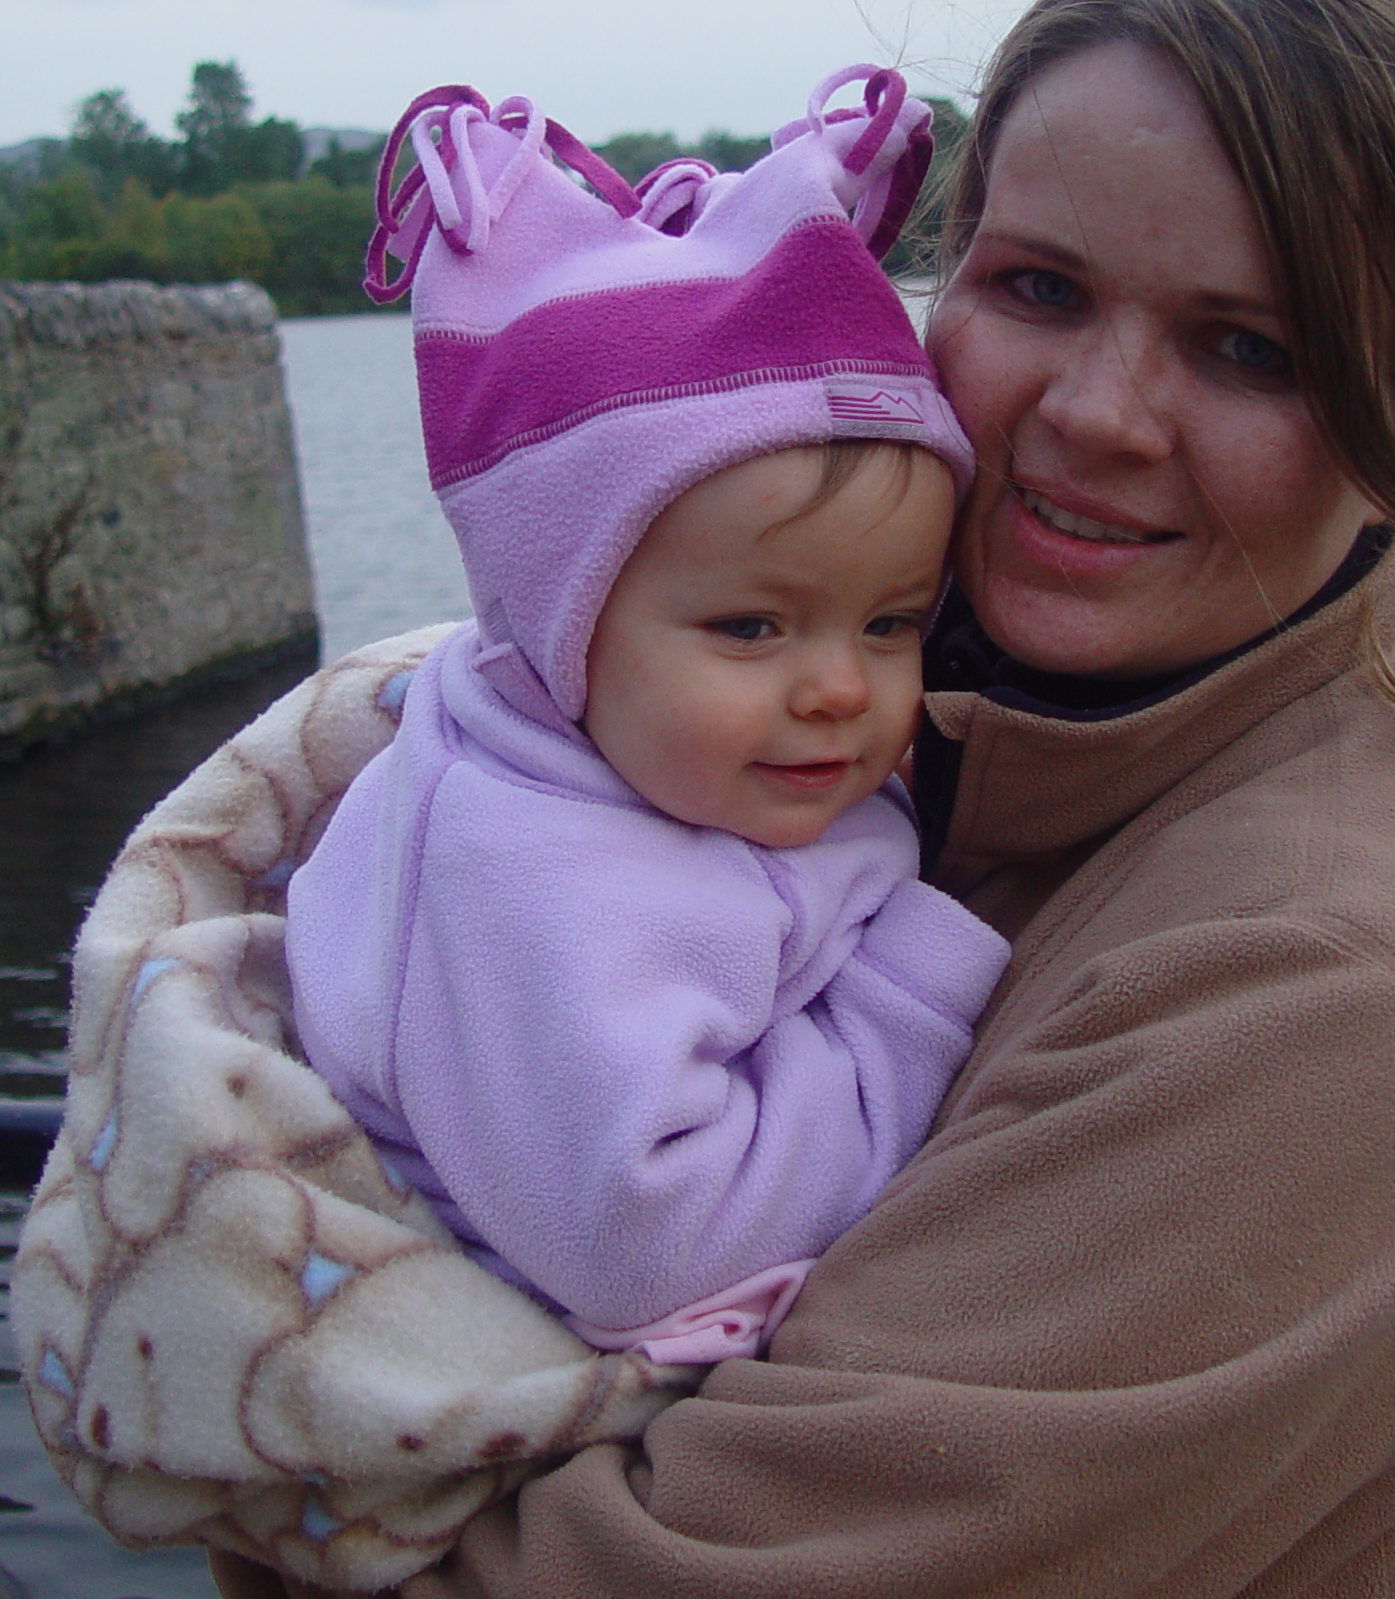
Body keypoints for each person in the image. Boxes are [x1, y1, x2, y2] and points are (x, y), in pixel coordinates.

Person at [48, 0, 1395, 1599]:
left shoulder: (1314, 987)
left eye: (1254, 349)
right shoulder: (991, 699)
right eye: (1038, 289)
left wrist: (256, 1446)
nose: (1097, 414)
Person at [284, 67, 1011, 1364]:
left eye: (892, 622)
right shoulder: (540, 879)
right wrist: (902, 1001)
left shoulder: (644, 758)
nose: (842, 686)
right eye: (751, 627)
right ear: (565, 620)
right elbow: (649, 1244)